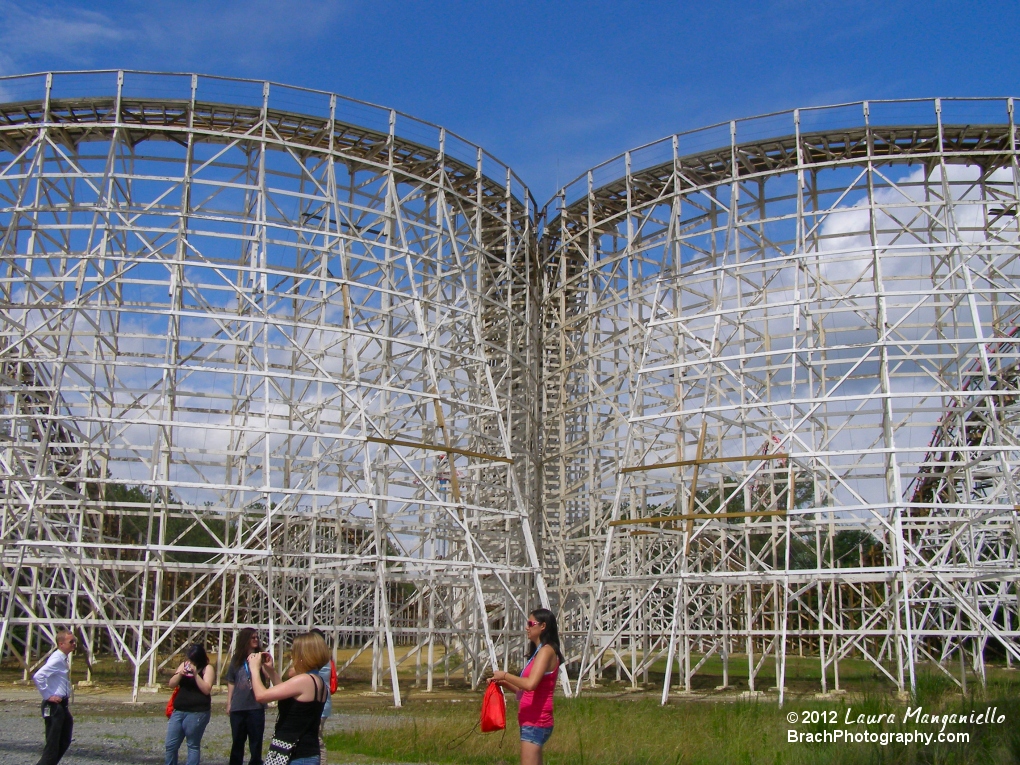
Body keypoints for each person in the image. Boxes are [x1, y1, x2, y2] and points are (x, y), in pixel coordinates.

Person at [491, 608, 564, 765]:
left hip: (536, 721)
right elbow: (524, 690)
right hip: (530, 720)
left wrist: (504, 675)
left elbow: (530, 684)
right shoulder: (539, 652)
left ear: (543, 626)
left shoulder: (546, 651)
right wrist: (503, 683)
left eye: (531, 624)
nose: (527, 627)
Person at [248, 632, 330, 765]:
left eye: (294, 652)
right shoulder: (317, 681)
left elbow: (261, 696)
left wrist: (254, 669)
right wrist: (270, 671)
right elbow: (285, 694)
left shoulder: (304, 680)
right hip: (306, 752)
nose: (291, 657)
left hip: (296, 754)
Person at [32, 628, 77, 765]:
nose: (74, 644)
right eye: (71, 641)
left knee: (64, 740)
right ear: (61, 644)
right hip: (54, 706)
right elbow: (38, 676)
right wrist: (48, 695)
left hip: (62, 704)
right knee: (53, 744)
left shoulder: (62, 659)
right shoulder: (57, 659)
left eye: (75, 641)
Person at [165, 643, 215, 765]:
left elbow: (206, 689)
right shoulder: (184, 665)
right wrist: (180, 674)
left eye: (193, 660)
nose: (190, 662)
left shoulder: (207, 669)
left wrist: (196, 675)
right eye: (189, 659)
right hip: (179, 710)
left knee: (192, 744)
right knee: (170, 745)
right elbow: (171, 684)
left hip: (197, 712)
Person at [226, 628, 267, 765]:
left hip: (255, 705)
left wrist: (264, 664)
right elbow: (231, 681)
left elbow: (268, 676)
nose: (255, 639)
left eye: (256, 637)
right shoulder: (237, 659)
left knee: (256, 742)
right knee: (237, 741)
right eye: (252, 638)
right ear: (245, 640)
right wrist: (229, 703)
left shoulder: (261, 657)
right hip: (239, 706)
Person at [310, 629, 335, 765]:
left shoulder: (320, 659)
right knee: (315, 737)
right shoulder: (325, 658)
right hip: (323, 704)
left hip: (320, 705)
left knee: (317, 739)